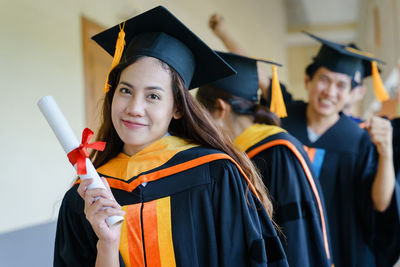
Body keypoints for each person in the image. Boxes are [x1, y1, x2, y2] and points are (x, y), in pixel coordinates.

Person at [53, 6, 289, 267]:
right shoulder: (86, 198)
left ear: (177, 107)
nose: (134, 108)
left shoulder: (214, 175)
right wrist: (106, 245)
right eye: (125, 91)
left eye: (153, 96)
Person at [209, 14, 399, 267]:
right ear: (309, 80)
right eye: (324, 79)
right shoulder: (285, 118)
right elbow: (261, 75)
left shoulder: (360, 139)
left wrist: (385, 152)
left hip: (344, 247)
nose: (330, 92)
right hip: (292, 244)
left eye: (341, 85)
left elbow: (381, 203)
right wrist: (222, 31)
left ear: (353, 93)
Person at [196, 51, 333, 267]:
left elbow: (296, 236)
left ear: (221, 109)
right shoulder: (242, 152)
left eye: (202, 116)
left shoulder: (278, 151)